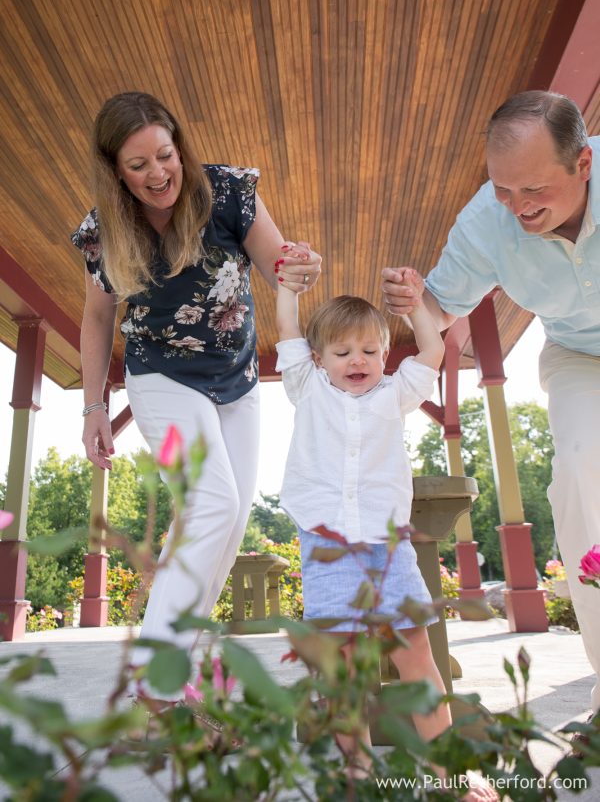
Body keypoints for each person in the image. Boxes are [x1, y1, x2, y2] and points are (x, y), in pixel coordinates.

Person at [71, 91, 321, 674]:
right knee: (212, 502)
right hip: (160, 374)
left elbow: (278, 262)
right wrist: (93, 408)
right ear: (115, 172)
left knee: (228, 523)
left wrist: (300, 267)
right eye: (138, 166)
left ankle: (181, 661)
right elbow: (97, 317)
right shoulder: (102, 230)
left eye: (165, 154)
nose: (158, 173)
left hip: (236, 379)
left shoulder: (229, 191)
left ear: (179, 145)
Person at [382, 89, 600, 717]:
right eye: (503, 189)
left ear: (583, 163)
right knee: (582, 479)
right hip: (580, 357)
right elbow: (439, 310)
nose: (518, 207)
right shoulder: (489, 219)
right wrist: (412, 296)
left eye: (532, 189)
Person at [275, 277, 495, 796]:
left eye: (370, 350)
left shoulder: (396, 392)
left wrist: (417, 305)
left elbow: (433, 347)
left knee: (416, 652)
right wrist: (288, 287)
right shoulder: (306, 386)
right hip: (327, 547)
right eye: (343, 351)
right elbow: (286, 325)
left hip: (387, 546)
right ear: (318, 357)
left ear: (384, 353)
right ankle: (356, 767)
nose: (357, 360)